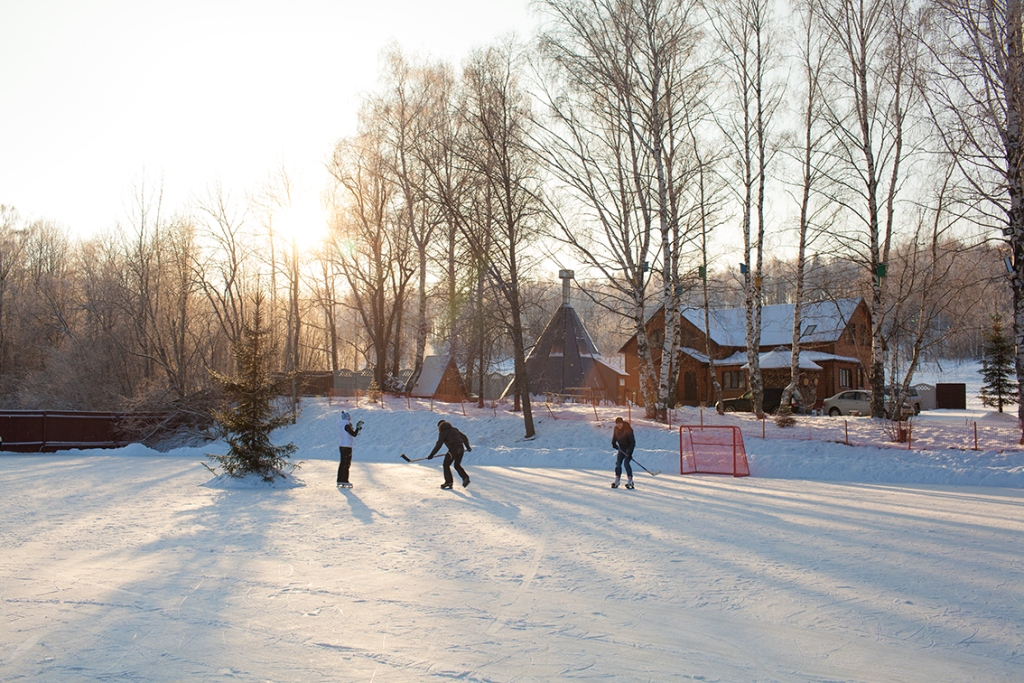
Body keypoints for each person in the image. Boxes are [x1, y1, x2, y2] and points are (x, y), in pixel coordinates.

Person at [427, 419, 472, 489]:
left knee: (446, 464)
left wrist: (432, 454)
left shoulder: (443, 432)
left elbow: (439, 444)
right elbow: (464, 437)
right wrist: (468, 447)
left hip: (453, 449)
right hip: (461, 448)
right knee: (457, 465)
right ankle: (465, 478)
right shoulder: (455, 429)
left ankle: (448, 482)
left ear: (440, 427)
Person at [337, 410, 363, 488]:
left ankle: (340, 479)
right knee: (346, 463)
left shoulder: (342, 425)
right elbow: (354, 434)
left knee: (342, 463)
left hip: (342, 445)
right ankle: (344, 480)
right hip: (347, 446)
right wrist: (358, 428)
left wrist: (358, 428)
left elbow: (352, 433)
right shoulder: (346, 425)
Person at [611, 416, 635, 489]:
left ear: (622, 423)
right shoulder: (616, 429)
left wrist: (629, 453)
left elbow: (632, 442)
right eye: (617, 424)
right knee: (618, 463)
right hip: (621, 448)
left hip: (628, 448)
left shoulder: (628, 429)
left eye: (620, 423)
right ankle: (617, 479)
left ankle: (630, 480)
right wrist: (613, 443)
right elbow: (614, 437)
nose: (619, 425)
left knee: (626, 463)